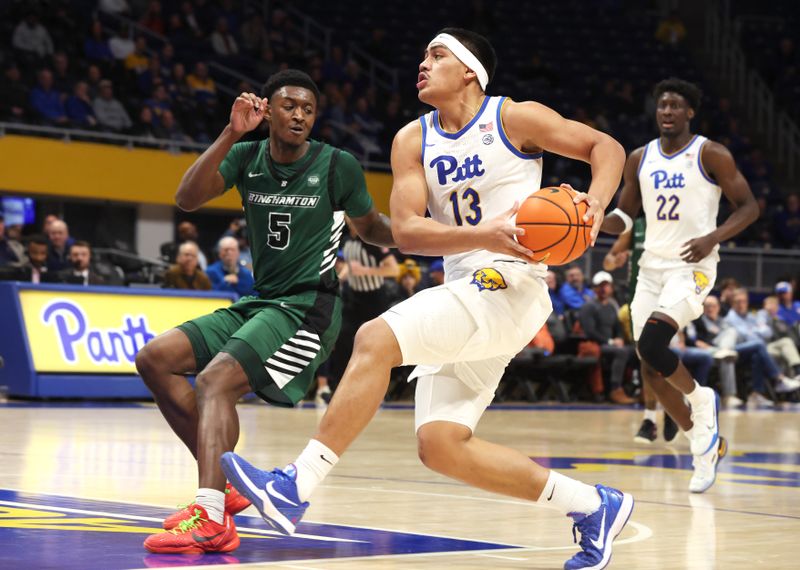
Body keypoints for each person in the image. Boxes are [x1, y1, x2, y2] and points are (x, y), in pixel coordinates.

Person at [221, 29, 632, 569]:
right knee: (440, 446)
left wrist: (596, 204)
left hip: (513, 281)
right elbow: (409, 232)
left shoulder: (513, 118)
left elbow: (607, 147)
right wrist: (485, 234)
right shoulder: (411, 140)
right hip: (466, 284)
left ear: (468, 71)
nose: (423, 63)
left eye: (436, 55)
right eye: (423, 55)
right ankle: (594, 506)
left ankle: (295, 485)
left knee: (374, 337)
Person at [136, 69, 393, 553]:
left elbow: (371, 226)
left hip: (307, 306)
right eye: (290, 106)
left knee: (215, 382)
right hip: (259, 300)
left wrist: (433, 237)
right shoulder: (246, 155)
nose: (299, 115)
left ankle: (210, 516)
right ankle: (225, 487)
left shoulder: (337, 165)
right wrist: (232, 131)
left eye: (308, 109)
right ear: (268, 111)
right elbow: (186, 198)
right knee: (155, 358)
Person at [601, 78, 758, 492]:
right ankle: (702, 444)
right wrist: (591, 220)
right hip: (650, 267)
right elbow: (625, 215)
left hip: (692, 266)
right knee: (651, 370)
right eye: (661, 106)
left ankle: (703, 399)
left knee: (653, 344)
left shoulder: (711, 154)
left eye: (675, 106)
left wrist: (714, 237)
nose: (667, 112)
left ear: (690, 112)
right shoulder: (639, 157)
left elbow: (750, 206)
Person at [604, 217, 680, 442]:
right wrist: (614, 260)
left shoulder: (672, 220)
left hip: (669, 296)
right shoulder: (635, 225)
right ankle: (653, 417)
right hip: (638, 297)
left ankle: (666, 411)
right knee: (646, 360)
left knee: (661, 358)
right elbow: (608, 260)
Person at [578, 271, 636, 404]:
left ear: (611, 288)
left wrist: (620, 338)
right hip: (596, 343)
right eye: (600, 286)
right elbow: (590, 331)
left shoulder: (611, 306)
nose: (604, 289)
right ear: (595, 288)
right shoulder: (589, 307)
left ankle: (638, 388)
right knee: (621, 352)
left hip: (610, 344)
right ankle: (615, 389)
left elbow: (618, 328)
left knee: (636, 351)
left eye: (606, 285)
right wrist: (610, 341)